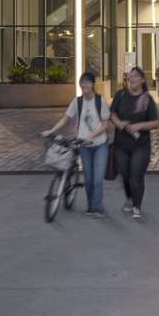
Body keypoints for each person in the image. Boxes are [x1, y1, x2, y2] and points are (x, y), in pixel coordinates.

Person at [41, 71, 110, 216]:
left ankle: (97, 208)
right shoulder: (77, 102)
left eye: (87, 82)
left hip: (100, 145)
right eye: (82, 82)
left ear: (93, 84)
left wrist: (91, 135)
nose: (84, 84)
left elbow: (105, 124)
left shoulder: (100, 101)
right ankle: (91, 207)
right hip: (84, 146)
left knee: (97, 178)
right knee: (89, 179)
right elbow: (65, 118)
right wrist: (51, 130)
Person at [110, 66, 159, 220]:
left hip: (141, 145)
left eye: (136, 76)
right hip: (121, 144)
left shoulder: (147, 99)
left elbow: (155, 123)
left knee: (136, 175)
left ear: (142, 80)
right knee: (125, 174)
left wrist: (139, 126)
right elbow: (112, 114)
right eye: (130, 76)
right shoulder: (121, 95)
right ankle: (130, 197)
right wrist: (118, 123)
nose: (132, 79)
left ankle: (137, 205)